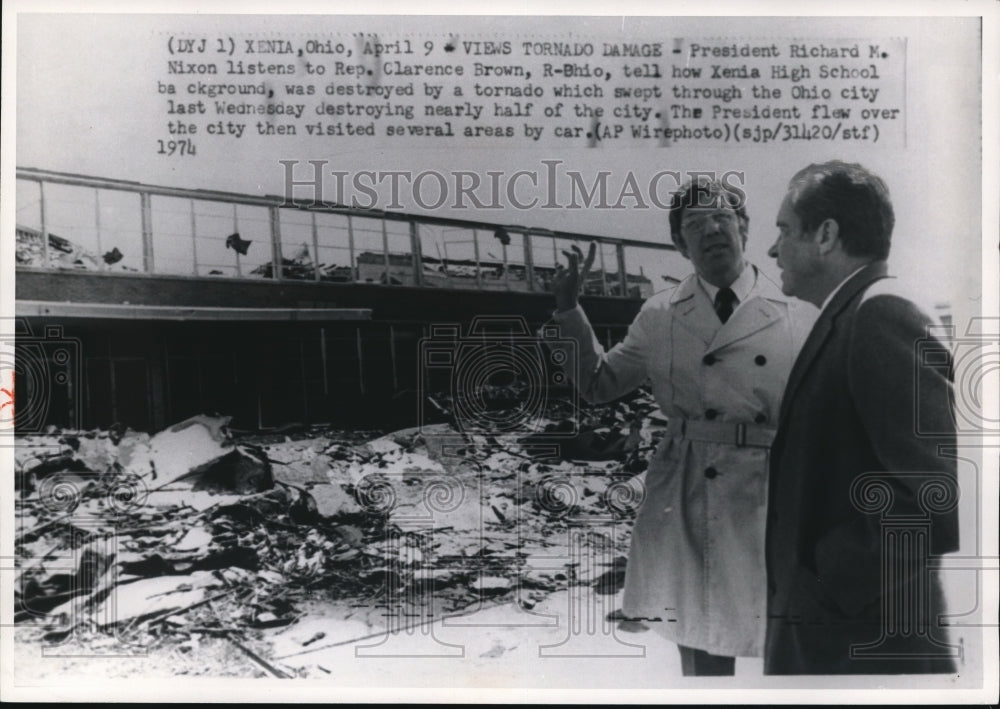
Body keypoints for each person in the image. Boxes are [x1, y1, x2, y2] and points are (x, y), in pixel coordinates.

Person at [545, 177, 815, 676]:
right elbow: (598, 384)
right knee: (701, 634)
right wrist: (568, 312)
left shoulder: (797, 314)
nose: (711, 230)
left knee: (785, 635)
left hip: (772, 486)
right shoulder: (659, 314)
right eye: (695, 223)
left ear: (744, 228)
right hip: (689, 486)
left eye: (722, 218)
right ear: (679, 243)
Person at [764, 161, 960, 674]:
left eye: (784, 229)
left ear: (826, 235)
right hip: (843, 635)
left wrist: (828, 580)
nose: (771, 248)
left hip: (860, 643)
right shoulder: (851, 313)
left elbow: (935, 495)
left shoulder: (880, 312)